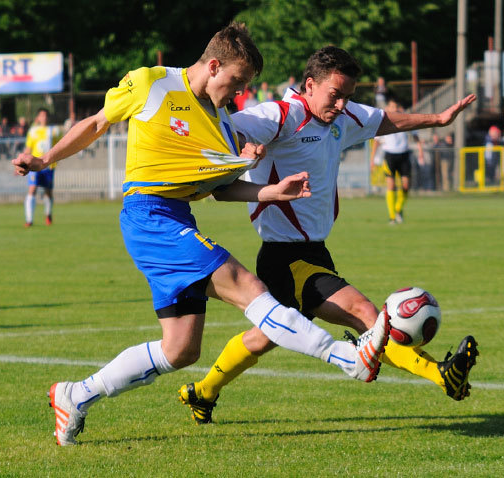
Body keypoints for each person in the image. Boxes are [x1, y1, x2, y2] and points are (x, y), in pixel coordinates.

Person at [13, 24, 390, 446]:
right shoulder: (151, 83)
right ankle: (348, 359)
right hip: (150, 216)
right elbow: (98, 122)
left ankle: (75, 395)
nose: (239, 94)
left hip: (176, 219)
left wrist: (269, 190)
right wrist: (46, 158)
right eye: (237, 83)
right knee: (249, 286)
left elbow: (221, 190)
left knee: (181, 349)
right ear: (213, 66)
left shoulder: (220, 122)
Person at [178, 45, 478, 425]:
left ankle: (201, 392)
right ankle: (442, 375)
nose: (341, 104)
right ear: (309, 85)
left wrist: (436, 119)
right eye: (335, 95)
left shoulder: (344, 115)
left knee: (265, 336)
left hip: (314, 251)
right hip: (286, 257)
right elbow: (225, 127)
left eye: (348, 96)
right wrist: (242, 146)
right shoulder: (280, 115)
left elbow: (384, 120)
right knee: (366, 314)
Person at [370, 100, 425, 224]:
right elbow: (376, 142)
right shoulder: (383, 122)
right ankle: (392, 217)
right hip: (389, 155)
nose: (394, 109)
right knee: (391, 185)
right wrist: (372, 160)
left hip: (404, 154)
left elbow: (416, 137)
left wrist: (420, 152)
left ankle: (398, 209)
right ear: (388, 108)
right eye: (391, 107)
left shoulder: (405, 119)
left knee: (406, 185)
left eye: (396, 106)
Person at [22, 108, 63, 227]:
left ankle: (48, 214)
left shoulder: (54, 131)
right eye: (41, 116)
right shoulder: (33, 131)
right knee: (32, 189)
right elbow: (28, 148)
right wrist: (23, 163)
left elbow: (59, 145)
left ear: (48, 118)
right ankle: (29, 220)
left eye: (45, 116)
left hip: (48, 166)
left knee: (48, 192)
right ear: (38, 118)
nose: (44, 118)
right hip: (34, 166)